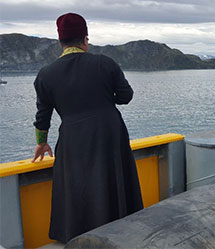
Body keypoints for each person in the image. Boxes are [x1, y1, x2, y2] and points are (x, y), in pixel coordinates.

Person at [32, 13, 143, 243]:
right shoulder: (105, 63)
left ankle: (76, 236)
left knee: (77, 184)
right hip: (108, 131)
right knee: (112, 177)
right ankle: (119, 231)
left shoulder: (46, 74)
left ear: (60, 41)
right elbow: (126, 96)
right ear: (85, 39)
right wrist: (104, 99)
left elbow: (43, 115)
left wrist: (41, 142)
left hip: (72, 135)